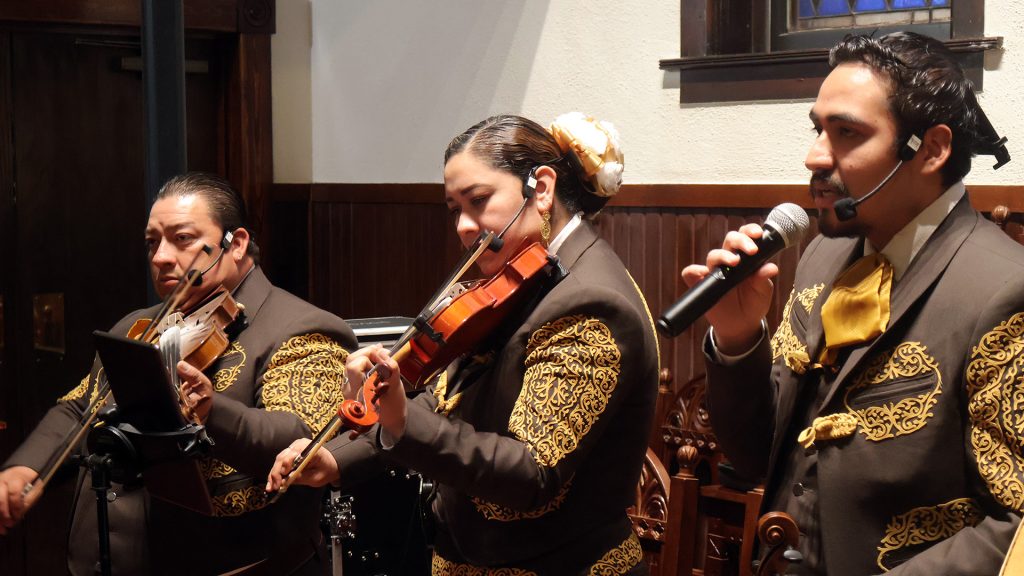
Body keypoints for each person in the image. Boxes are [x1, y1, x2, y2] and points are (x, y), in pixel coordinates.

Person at [682, 31, 1022, 575]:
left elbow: (1016, 524)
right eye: (819, 129)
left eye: (847, 133)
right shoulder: (821, 255)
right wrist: (739, 338)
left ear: (930, 149)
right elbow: (755, 455)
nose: (815, 156)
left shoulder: (1005, 291)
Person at [267, 112, 661, 574]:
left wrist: (400, 417)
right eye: (455, 208)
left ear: (543, 189)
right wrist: (332, 458)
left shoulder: (590, 301)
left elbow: (530, 472)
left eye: (478, 200)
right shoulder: (526, 272)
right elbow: (444, 400)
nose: (463, 227)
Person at [0, 172, 357, 575]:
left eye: (182, 238)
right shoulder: (139, 326)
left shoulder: (302, 327)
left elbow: (299, 436)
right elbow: (83, 404)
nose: (160, 256)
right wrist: (26, 468)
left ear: (235, 244)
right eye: (153, 241)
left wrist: (212, 411)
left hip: (236, 564)